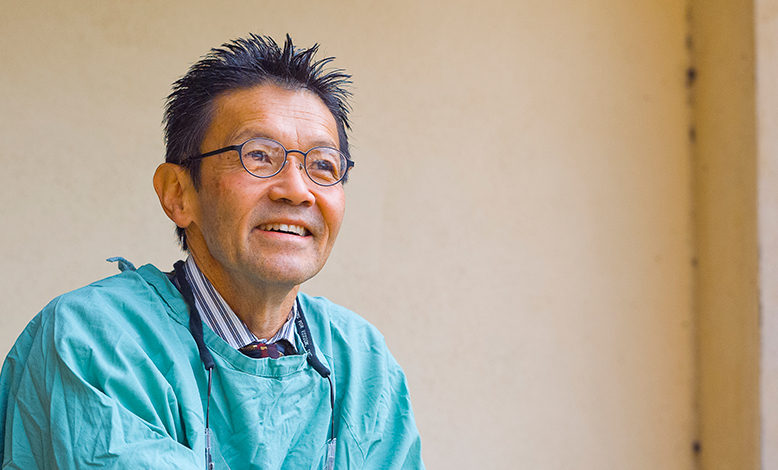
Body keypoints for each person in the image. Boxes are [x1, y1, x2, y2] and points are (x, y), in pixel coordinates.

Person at [0, 34, 424, 469]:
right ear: (178, 193)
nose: (298, 190)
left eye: (322, 165)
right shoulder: (97, 338)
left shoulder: (361, 361)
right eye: (258, 155)